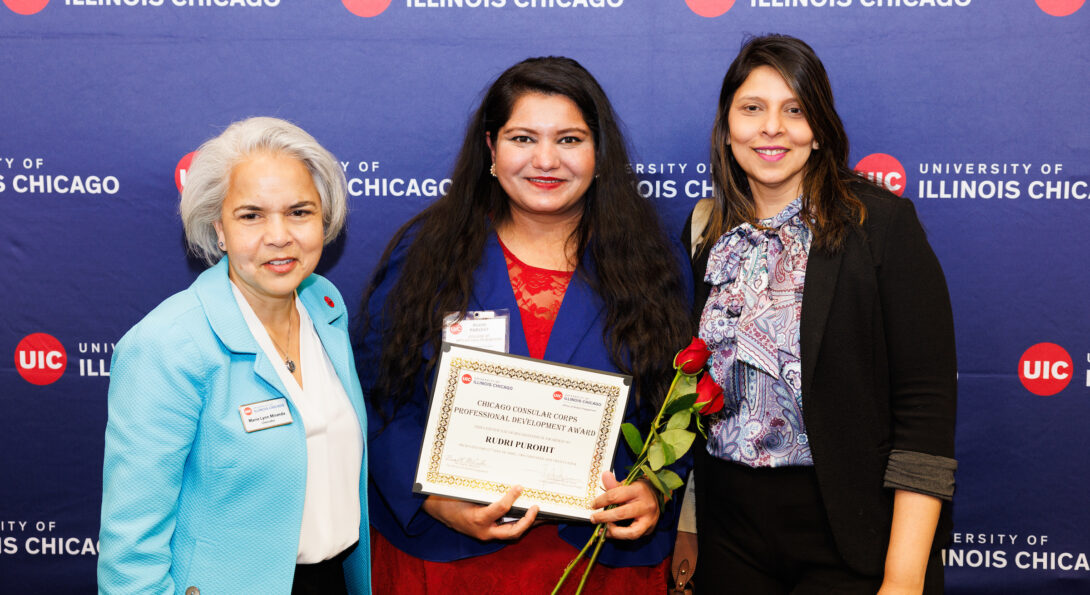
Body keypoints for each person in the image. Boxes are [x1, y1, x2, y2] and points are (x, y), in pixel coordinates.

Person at [358, 56, 693, 593]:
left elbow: (680, 407)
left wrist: (655, 488)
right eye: (522, 138)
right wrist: (431, 497)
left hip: (597, 560)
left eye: (568, 139)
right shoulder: (427, 256)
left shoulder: (656, 265)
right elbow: (374, 397)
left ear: (600, 154)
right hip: (448, 557)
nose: (545, 160)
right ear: (491, 150)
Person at [683, 35, 957, 594]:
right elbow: (696, 399)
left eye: (795, 110)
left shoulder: (879, 225)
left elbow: (925, 410)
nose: (772, 128)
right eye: (752, 108)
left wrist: (903, 579)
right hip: (729, 533)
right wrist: (688, 525)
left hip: (851, 537)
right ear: (727, 123)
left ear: (821, 126)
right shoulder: (709, 234)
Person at [98, 117, 370, 595]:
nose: (280, 235)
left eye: (299, 212)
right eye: (252, 216)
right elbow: (130, 551)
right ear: (218, 229)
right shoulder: (168, 345)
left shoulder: (324, 305)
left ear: (323, 220)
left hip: (332, 581)